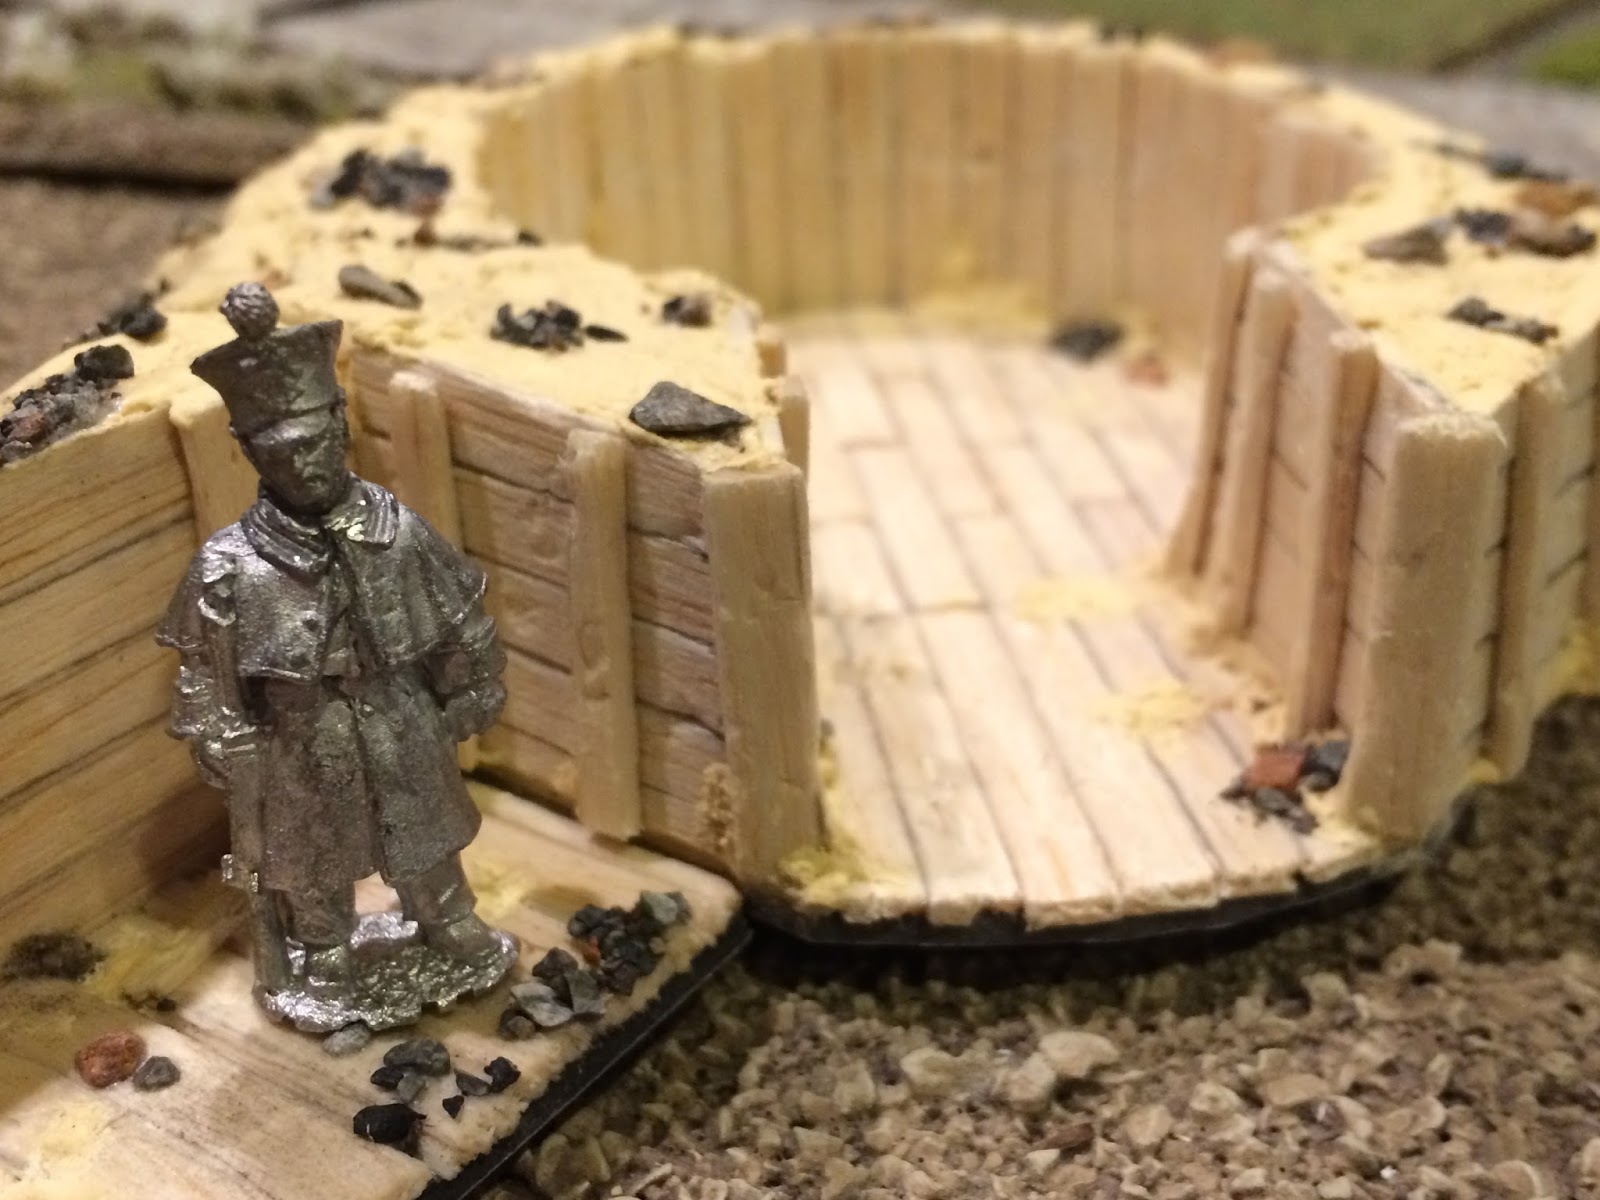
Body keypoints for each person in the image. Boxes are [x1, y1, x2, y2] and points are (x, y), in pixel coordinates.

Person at [157, 282, 513, 1020]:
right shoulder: (228, 567)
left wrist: (473, 684)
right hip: (296, 732)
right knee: (308, 849)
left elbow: (458, 617)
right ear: (251, 452)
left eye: (317, 444)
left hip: (399, 710)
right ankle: (323, 948)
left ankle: (446, 917)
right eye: (283, 453)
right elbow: (200, 671)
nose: (306, 465)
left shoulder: (397, 531)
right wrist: (216, 734)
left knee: (424, 823)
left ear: (341, 427)